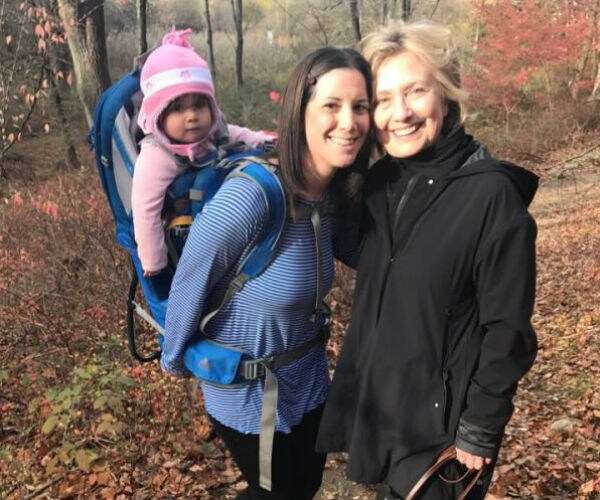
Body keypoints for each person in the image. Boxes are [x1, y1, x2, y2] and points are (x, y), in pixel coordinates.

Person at [316, 20, 538, 500]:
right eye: (382, 99)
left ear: (445, 94)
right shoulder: (381, 184)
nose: (400, 113)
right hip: (384, 410)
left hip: (445, 431)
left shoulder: (491, 196)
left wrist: (481, 423)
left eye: (415, 91)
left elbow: (509, 329)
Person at [160, 47, 372, 500]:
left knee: (306, 484)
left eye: (361, 106)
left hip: (308, 376)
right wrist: (177, 358)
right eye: (331, 106)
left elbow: (367, 254)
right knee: (277, 493)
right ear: (300, 112)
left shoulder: (332, 193)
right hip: (248, 390)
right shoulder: (252, 197)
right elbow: (192, 276)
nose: (349, 122)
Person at [131, 28, 273, 276]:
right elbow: (145, 208)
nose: (192, 116)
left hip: (222, 228)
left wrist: (266, 142)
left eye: (199, 105)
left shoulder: (214, 130)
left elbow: (240, 135)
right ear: (158, 114)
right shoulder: (156, 155)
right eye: (177, 108)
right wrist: (154, 260)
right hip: (182, 240)